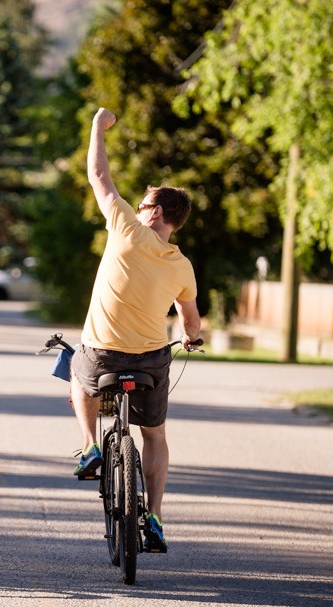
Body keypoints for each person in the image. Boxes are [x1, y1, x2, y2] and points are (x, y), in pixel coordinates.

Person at [70, 108, 202, 553]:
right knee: (156, 435)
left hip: (103, 352)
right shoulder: (182, 265)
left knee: (75, 370)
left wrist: (96, 127)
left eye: (144, 203)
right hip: (150, 360)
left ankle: (90, 446)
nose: (139, 207)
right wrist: (191, 338)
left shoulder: (126, 226)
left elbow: (97, 173)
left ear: (154, 212)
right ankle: (156, 516)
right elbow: (190, 317)